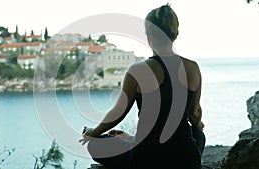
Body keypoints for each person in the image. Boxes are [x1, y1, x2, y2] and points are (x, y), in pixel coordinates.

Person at [79, 3, 206, 169]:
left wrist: (93, 133)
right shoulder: (193, 68)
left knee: (95, 145)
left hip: (147, 159)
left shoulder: (138, 70)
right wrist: (198, 126)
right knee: (198, 134)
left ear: (149, 35)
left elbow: (118, 113)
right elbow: (195, 114)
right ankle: (134, 141)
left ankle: (134, 143)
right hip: (185, 160)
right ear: (176, 34)